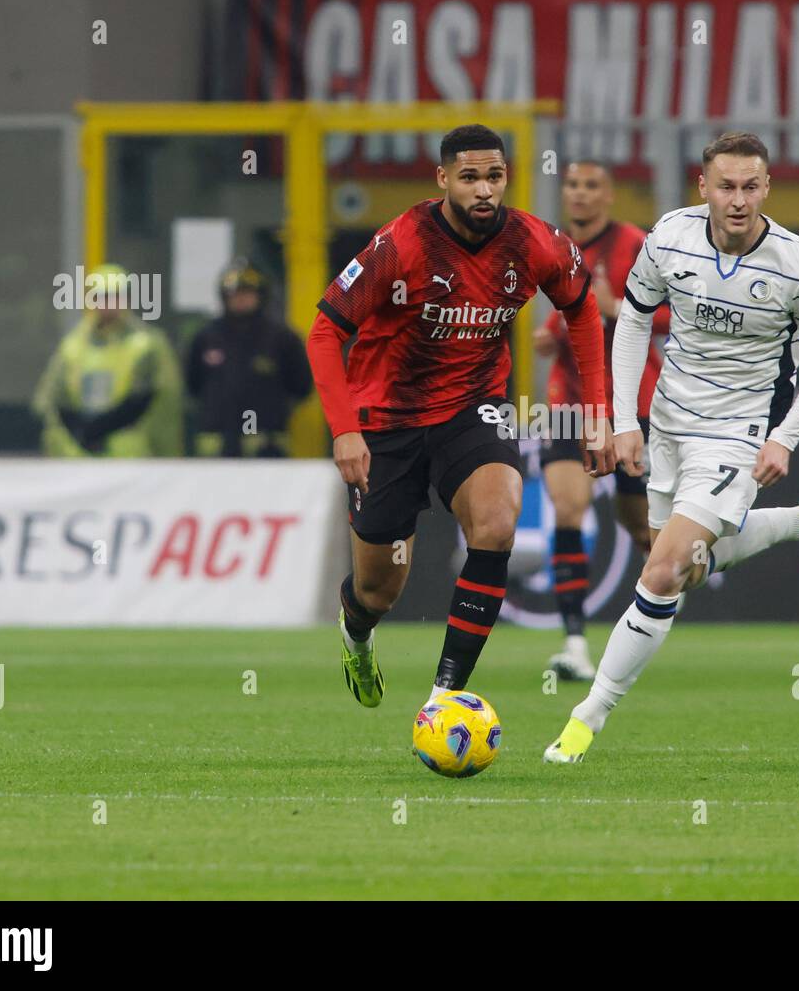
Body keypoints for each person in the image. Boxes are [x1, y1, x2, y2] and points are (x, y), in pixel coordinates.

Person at [544, 131, 799, 764]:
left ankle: (587, 716)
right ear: (703, 187)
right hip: (666, 424)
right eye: (726, 187)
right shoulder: (669, 238)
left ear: (766, 188)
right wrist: (624, 419)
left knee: (659, 572)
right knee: (682, 568)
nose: (737, 200)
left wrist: (783, 437)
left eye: (750, 187)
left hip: (736, 433)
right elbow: (632, 320)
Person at [306, 124, 615, 711]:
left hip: (473, 408)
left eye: (494, 177)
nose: (483, 190)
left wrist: (596, 412)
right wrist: (346, 429)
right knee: (379, 588)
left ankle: (444, 698)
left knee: (497, 523)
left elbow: (582, 311)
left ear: (507, 179)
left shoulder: (536, 243)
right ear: (443, 179)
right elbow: (325, 333)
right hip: (386, 419)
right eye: (469, 177)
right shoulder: (401, 244)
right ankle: (356, 630)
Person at [534, 160, 670, 681]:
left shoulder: (636, 243)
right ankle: (574, 644)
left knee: (641, 525)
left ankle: (648, 625)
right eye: (572, 185)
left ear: (609, 194)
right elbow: (553, 311)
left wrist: (617, 309)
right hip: (569, 406)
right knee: (569, 508)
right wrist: (549, 337)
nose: (581, 194)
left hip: (632, 405)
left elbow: (675, 312)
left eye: (592, 185)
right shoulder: (550, 246)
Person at [33, 264, 183, 457]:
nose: (108, 304)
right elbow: (53, 399)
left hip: (130, 453)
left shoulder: (147, 344)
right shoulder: (73, 345)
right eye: (101, 297)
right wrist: (80, 432)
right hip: (77, 454)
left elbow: (161, 405)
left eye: (115, 296)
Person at [185, 258, 312, 457]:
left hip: (266, 448)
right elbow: (192, 385)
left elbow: (302, 387)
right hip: (216, 447)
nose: (240, 298)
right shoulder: (206, 338)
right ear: (224, 296)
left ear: (261, 295)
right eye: (234, 293)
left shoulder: (282, 338)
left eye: (247, 293)